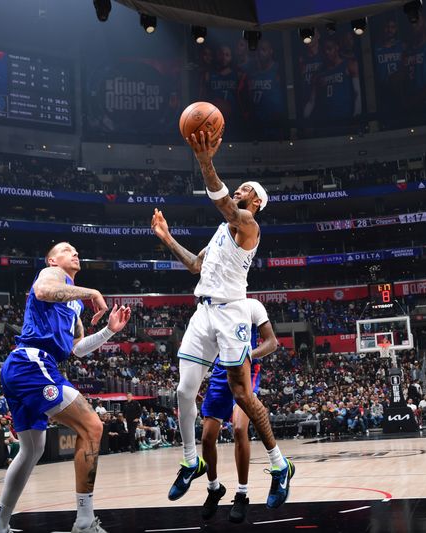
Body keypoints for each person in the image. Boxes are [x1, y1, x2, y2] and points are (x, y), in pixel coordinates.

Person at [151, 132, 293, 509]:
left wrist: (204, 160)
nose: (241, 190)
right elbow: (196, 266)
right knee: (183, 391)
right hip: (204, 311)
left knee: (243, 395)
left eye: (247, 189)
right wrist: (167, 238)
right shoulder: (220, 232)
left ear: (257, 202)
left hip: (232, 311)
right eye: (240, 186)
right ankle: (189, 460)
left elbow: (224, 203)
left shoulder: (247, 224)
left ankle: (280, 466)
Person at [0, 242, 131, 533]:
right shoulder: (50, 275)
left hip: (28, 367)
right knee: (93, 427)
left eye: (77, 251)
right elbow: (43, 292)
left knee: (31, 450)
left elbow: (77, 349)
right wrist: (92, 292)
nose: (75, 253)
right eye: (67, 250)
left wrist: (109, 331)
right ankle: (84, 521)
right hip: (31, 362)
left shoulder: (74, 305)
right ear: (52, 260)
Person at [199, 298, 278, 522]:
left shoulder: (251, 306)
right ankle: (214, 488)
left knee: (239, 429)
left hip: (245, 370)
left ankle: (242, 494)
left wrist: (246, 356)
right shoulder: (211, 308)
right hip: (219, 373)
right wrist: (194, 380)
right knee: (206, 438)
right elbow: (204, 348)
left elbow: (272, 343)